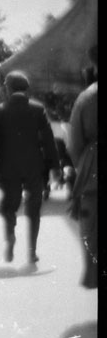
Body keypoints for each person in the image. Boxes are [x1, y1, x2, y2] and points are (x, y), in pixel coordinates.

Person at [0, 70, 59, 264]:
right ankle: (32, 251)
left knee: (9, 207)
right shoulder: (37, 109)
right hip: (33, 166)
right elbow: (48, 139)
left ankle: (11, 235)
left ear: (8, 87)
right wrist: (55, 165)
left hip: (8, 166)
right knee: (34, 208)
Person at [67, 45, 97, 288]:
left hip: (95, 170)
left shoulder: (87, 98)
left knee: (93, 228)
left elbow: (74, 143)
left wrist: (85, 166)